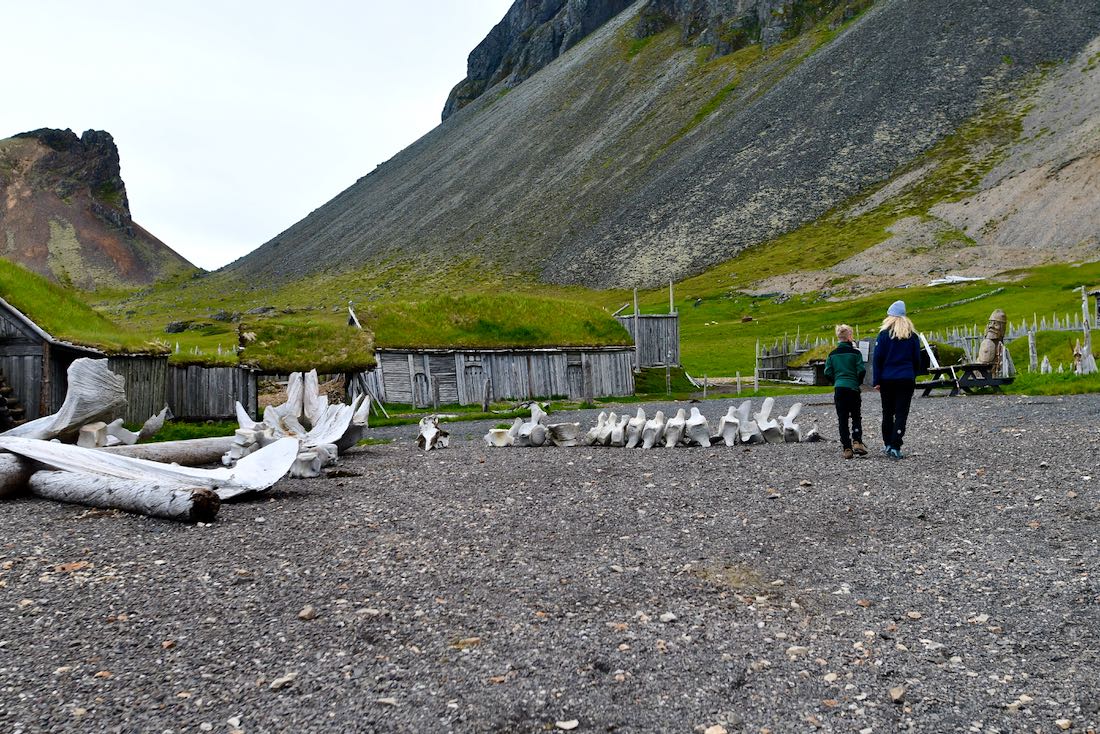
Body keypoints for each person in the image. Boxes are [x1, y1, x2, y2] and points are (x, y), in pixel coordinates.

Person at [872, 300, 923, 459]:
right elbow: (917, 359)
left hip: (887, 379)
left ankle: (888, 443)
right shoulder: (912, 336)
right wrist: (912, 375)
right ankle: (896, 444)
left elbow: (877, 359)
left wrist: (876, 380)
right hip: (906, 378)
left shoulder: (883, 335)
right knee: (901, 412)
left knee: (887, 412)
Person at [823, 324, 867, 459]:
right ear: (849, 337)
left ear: (838, 337)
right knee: (856, 416)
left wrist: (836, 381)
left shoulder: (832, 354)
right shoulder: (856, 353)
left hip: (839, 388)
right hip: (853, 388)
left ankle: (847, 448)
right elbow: (861, 370)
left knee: (842, 419)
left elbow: (827, 372)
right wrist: (857, 382)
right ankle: (857, 441)